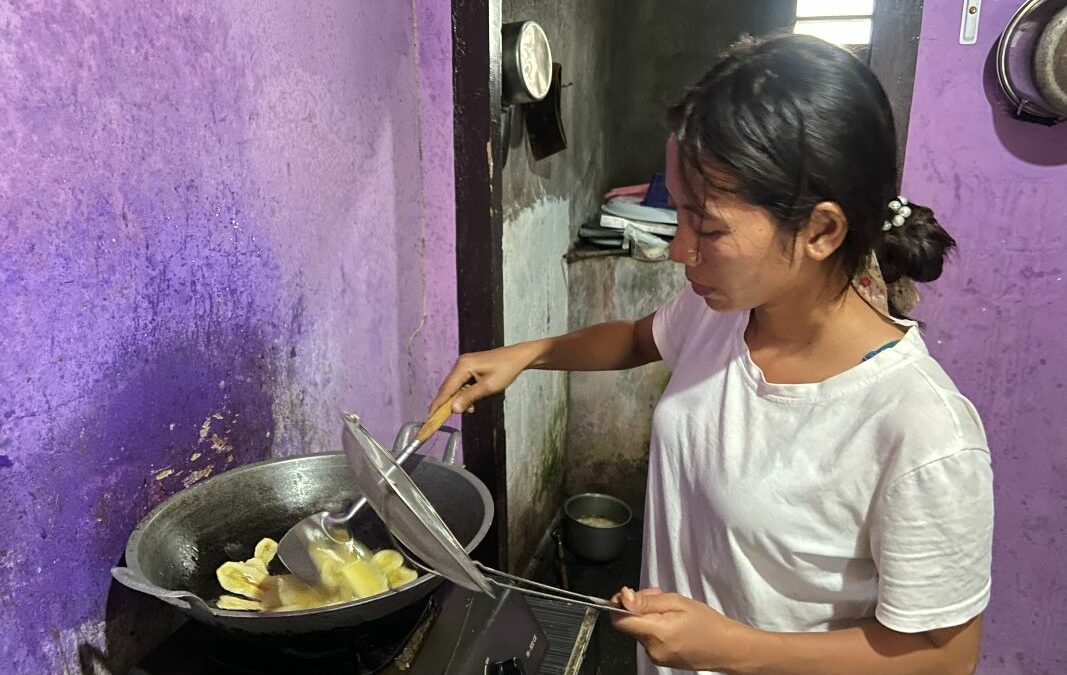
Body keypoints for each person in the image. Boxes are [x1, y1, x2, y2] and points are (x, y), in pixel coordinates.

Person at [430, 34, 992, 675]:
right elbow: (638, 340)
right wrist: (524, 355)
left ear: (821, 231)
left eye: (708, 224)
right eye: (678, 213)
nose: (678, 250)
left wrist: (731, 649)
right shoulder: (723, 313)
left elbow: (947, 658)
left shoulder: (921, 430)